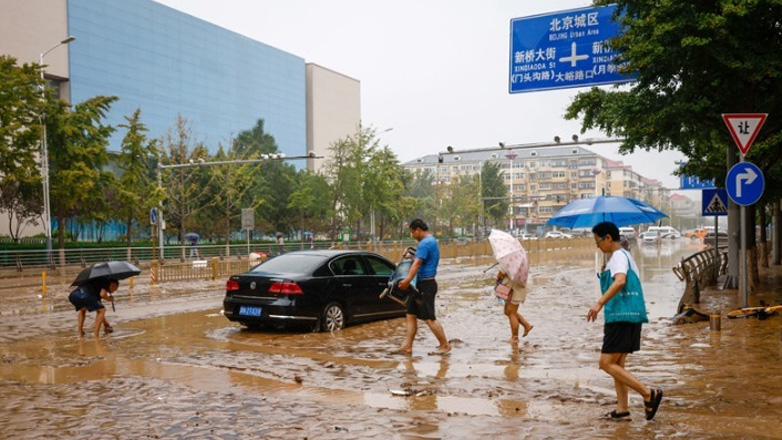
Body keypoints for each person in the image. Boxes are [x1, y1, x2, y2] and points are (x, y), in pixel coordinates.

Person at [587, 222, 663, 422]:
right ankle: (622, 410)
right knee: (617, 365)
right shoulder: (623, 256)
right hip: (628, 316)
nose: (597, 246)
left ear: (608, 238)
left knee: (605, 363)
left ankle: (648, 393)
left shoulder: (619, 257)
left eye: (598, 241)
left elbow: (620, 281)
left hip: (620, 317)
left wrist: (599, 303)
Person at [397, 219, 451, 355]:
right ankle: (407, 346)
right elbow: (418, 260)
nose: (412, 236)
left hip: (425, 285)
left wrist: (407, 280)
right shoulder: (431, 241)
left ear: (418, 230)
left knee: (429, 318)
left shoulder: (424, 243)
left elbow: (416, 264)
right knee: (410, 315)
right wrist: (410, 256)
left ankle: (445, 345)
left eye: (412, 232)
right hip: (421, 284)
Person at [496, 269, 533, 343]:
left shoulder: (509, 263)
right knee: (507, 311)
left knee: (511, 313)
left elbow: (501, 273)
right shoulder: (518, 264)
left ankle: (515, 337)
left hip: (514, 291)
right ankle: (526, 325)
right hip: (515, 289)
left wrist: (498, 278)